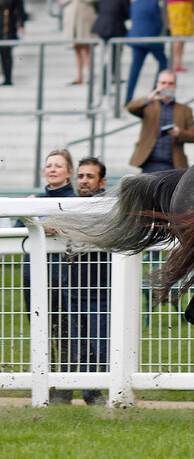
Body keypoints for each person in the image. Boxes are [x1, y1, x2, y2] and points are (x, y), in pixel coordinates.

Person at [18, 150, 77, 404]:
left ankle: (64, 390)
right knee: (40, 332)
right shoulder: (33, 201)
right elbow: (19, 229)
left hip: (62, 277)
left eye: (58, 166)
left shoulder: (75, 200)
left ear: (69, 172)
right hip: (33, 275)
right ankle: (46, 385)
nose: (52, 169)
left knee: (63, 332)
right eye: (49, 166)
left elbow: (67, 228)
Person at [71, 157, 110, 406]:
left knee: (102, 346)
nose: (84, 181)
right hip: (73, 289)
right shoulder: (67, 204)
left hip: (103, 291)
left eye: (90, 177)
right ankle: (89, 392)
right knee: (80, 345)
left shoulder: (109, 205)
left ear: (102, 181)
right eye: (81, 176)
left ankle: (98, 390)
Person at [127, 69, 194, 173]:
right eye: (163, 83)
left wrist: (179, 132)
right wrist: (149, 99)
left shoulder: (184, 109)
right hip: (149, 162)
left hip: (173, 163)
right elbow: (130, 108)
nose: (166, 86)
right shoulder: (149, 105)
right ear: (158, 84)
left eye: (170, 83)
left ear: (175, 86)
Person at [126, 0, 167, 103]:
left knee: (135, 68)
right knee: (164, 62)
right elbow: (158, 24)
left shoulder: (136, 2)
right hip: (150, 39)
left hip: (136, 39)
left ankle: (128, 98)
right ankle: (156, 92)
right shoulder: (154, 4)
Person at [59, 0, 97, 85]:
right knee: (77, 49)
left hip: (84, 21)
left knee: (87, 48)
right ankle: (79, 75)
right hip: (73, 22)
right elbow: (62, 0)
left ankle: (89, 75)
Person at [92, 0, 131, 86]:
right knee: (115, 54)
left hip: (102, 27)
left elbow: (99, 7)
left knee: (107, 55)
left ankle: (108, 78)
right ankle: (111, 77)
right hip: (115, 28)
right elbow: (127, 12)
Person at [0, 0, 25, 86]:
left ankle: (8, 78)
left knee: (6, 53)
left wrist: (21, 25)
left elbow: (20, 11)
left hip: (7, 27)